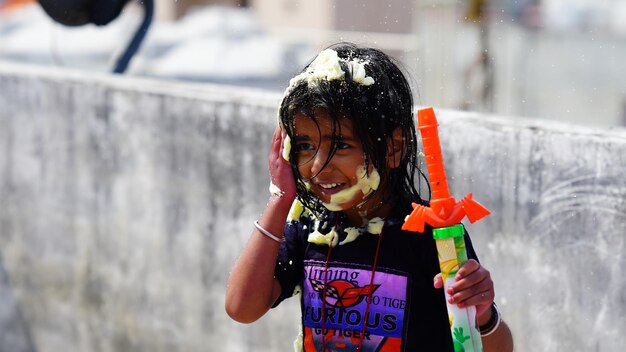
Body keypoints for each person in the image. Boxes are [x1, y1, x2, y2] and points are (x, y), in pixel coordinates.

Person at [225, 43, 513, 351]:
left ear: (392, 149)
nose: (319, 165)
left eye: (341, 145)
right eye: (305, 146)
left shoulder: (431, 233)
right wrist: (280, 198)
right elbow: (241, 307)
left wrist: (482, 316)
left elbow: (495, 347)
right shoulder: (311, 228)